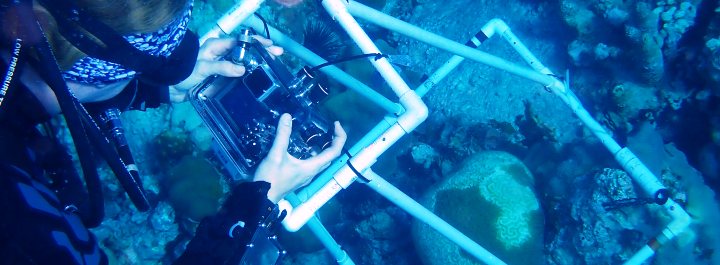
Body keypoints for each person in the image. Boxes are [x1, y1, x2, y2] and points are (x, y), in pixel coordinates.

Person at [0, 0, 346, 264]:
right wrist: (256, 205)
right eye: (164, 61)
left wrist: (153, 87)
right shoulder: (20, 232)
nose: (170, 66)